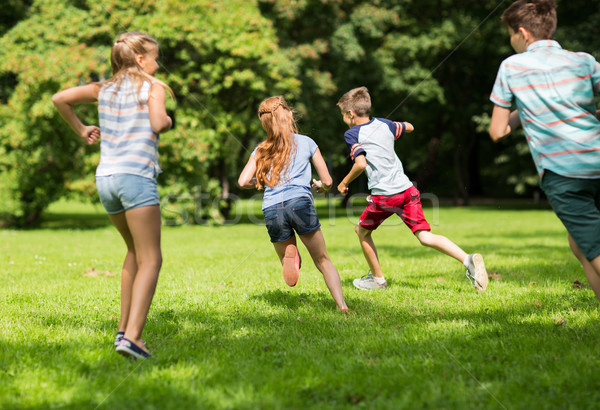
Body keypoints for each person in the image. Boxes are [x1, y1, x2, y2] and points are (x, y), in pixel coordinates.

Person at [52, 32, 174, 359]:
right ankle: (133, 338)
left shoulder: (102, 89)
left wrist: (81, 129)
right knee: (152, 258)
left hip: (106, 179)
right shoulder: (152, 87)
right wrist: (167, 118)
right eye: (154, 57)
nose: (156, 63)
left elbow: (59, 98)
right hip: (135, 177)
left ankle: (123, 331)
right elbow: (158, 123)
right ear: (139, 60)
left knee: (134, 252)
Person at [489, 0, 600, 302]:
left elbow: (497, 131)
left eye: (510, 34)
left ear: (522, 33)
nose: (511, 41)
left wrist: (524, 110)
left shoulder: (512, 67)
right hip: (597, 157)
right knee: (579, 245)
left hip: (564, 172)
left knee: (595, 248)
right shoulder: (584, 61)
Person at [336, 86, 488, 291]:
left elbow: (360, 163)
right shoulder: (385, 124)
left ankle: (378, 280)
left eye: (343, 115)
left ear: (350, 114)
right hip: (408, 191)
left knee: (361, 232)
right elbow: (409, 127)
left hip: (386, 196)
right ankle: (467, 259)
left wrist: (344, 183)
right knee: (425, 237)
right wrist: (396, 127)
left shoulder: (352, 134)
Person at [238, 96, 348, 311]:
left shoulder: (261, 149)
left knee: (289, 258)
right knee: (323, 260)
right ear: (289, 115)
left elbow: (242, 181)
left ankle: (292, 257)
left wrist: (261, 181)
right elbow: (327, 181)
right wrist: (322, 187)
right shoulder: (306, 142)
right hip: (299, 202)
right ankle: (341, 305)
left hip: (271, 208)